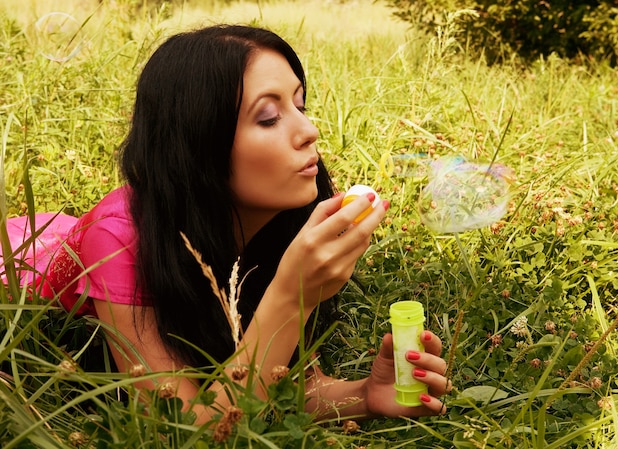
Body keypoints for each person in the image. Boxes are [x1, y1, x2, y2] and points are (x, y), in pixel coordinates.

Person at [2, 24, 450, 424]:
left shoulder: (287, 220)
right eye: (269, 117)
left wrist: (365, 396)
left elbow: (278, 383)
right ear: (198, 147)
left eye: (299, 103)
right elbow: (181, 428)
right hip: (21, 258)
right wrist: (290, 298)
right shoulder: (119, 242)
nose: (309, 130)